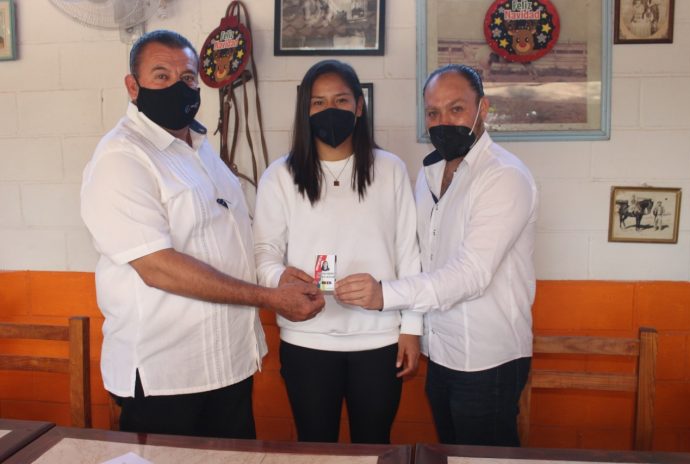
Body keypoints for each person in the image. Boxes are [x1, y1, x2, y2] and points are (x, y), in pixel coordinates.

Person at [80, 30, 324, 439]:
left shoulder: (200, 148)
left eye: (188, 77)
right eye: (161, 76)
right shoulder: (122, 157)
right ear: (132, 86)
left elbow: (232, 238)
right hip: (166, 378)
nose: (178, 86)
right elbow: (158, 267)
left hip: (227, 365)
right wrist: (269, 298)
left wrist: (276, 276)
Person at [335, 64, 538, 447]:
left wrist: (385, 294)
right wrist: (412, 329)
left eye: (456, 109)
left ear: (483, 108)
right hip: (441, 352)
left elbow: (472, 273)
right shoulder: (430, 174)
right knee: (452, 452)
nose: (443, 121)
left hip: (487, 359)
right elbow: (421, 256)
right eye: (433, 112)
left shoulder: (504, 176)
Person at [253, 59, 422, 444]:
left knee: (373, 445)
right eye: (319, 102)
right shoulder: (280, 175)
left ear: (359, 106)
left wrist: (412, 329)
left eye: (341, 100)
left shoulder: (390, 169)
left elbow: (408, 253)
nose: (330, 110)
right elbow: (264, 251)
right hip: (307, 339)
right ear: (305, 110)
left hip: (379, 339)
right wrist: (280, 279)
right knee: (315, 446)